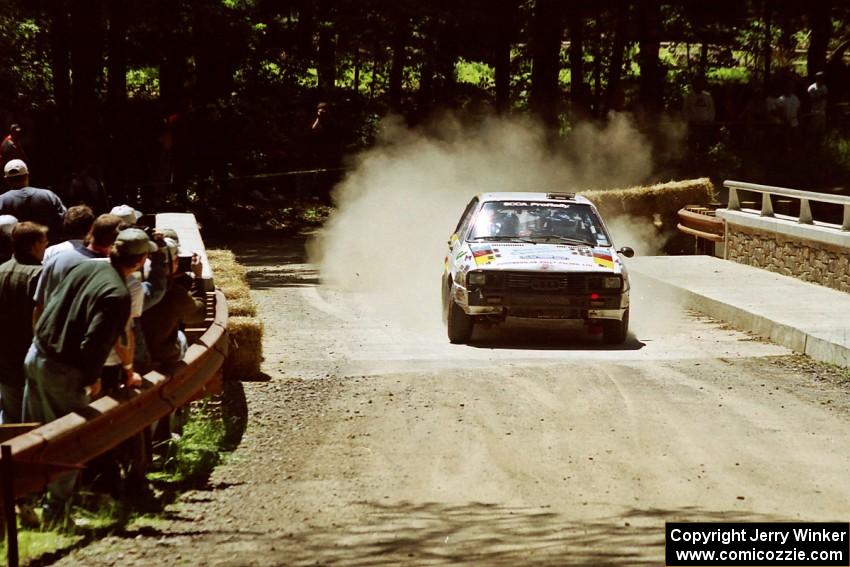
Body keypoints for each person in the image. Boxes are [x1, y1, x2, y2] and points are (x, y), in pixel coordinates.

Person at [22, 229, 152, 515]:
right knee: (70, 441)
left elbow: (50, 304)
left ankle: (24, 500)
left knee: (33, 433)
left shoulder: (86, 267)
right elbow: (94, 342)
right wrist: (92, 379)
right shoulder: (119, 295)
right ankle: (56, 511)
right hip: (64, 369)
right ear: (141, 260)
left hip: (36, 354)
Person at [32, 213, 124, 321]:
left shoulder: (56, 259)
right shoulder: (109, 269)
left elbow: (39, 307)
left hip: (50, 334)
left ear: (91, 231)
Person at [0, 222, 48, 423]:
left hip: (4, 355)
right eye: (45, 242)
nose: (46, 246)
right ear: (35, 245)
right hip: (29, 354)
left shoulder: (1, 269)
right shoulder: (39, 275)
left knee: (11, 417)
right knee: (34, 419)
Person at [141, 240, 206, 368]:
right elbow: (198, 314)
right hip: (159, 355)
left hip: (131, 355)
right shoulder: (174, 292)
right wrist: (198, 278)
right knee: (181, 336)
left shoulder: (132, 284)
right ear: (175, 262)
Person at [0, 159, 66, 240]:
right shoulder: (48, 195)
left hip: (17, 250)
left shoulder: (1, 201)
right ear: (27, 175)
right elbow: (64, 219)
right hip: (48, 246)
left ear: (6, 179)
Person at [807, 71, 829, 142]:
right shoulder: (811, 88)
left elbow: (826, 97)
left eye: (823, 77)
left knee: (822, 130)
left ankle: (821, 145)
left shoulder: (824, 87)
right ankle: (812, 144)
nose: (822, 79)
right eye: (820, 77)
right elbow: (810, 100)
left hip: (823, 111)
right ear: (817, 78)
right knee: (814, 130)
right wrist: (821, 97)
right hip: (815, 112)